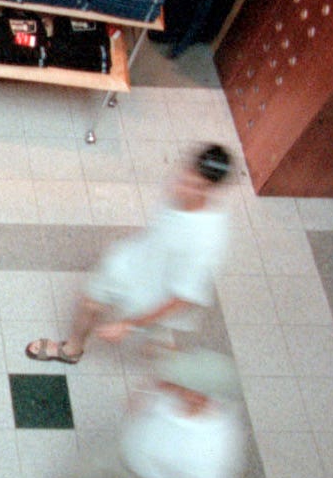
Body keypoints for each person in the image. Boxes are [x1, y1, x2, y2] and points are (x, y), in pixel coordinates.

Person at [11, 347, 246, 478]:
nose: (166, 381)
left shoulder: (213, 452)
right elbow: (156, 387)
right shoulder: (175, 391)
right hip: (121, 455)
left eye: (177, 382)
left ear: (199, 396)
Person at [25, 142, 233, 365]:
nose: (180, 186)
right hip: (131, 265)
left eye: (194, 185)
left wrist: (130, 325)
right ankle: (72, 349)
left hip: (155, 295)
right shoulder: (177, 195)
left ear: (209, 189)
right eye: (185, 176)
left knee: (152, 341)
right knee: (89, 303)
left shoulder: (207, 240)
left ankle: (170, 365)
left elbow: (184, 298)